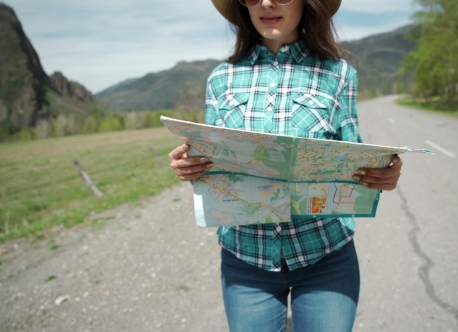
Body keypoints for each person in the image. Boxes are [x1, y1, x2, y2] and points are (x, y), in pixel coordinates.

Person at [168, 0, 403, 331]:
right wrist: (188, 166)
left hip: (326, 255)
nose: (266, 2)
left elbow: (357, 158)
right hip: (245, 260)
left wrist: (383, 173)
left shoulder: (338, 74)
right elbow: (212, 165)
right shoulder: (221, 79)